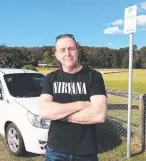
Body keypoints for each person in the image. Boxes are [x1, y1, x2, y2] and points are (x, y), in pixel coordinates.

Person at [39, 34, 107, 161]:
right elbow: (44, 111)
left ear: (77, 50)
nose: (67, 53)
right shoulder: (50, 78)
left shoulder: (94, 76)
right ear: (56, 54)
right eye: (62, 50)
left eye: (71, 48)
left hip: (86, 153)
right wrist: (80, 105)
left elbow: (99, 114)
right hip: (55, 151)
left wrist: (60, 115)